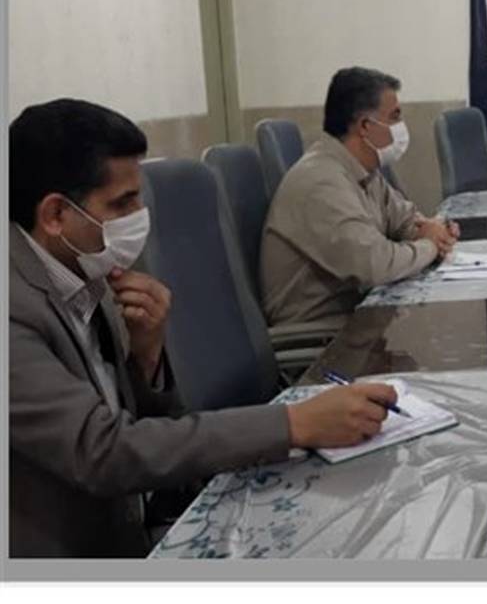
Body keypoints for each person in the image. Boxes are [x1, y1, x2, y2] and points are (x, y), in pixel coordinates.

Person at [8, 98, 399, 557]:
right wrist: (293, 423)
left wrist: (146, 358)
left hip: (141, 520)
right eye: (122, 202)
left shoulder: (88, 270)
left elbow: (141, 421)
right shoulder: (14, 307)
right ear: (55, 215)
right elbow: (102, 452)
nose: (139, 215)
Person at [260, 67, 458, 325]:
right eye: (395, 117)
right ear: (365, 126)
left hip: (360, 315)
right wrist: (430, 247)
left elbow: (404, 220)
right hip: (325, 336)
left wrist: (434, 230)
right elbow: (376, 264)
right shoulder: (321, 182)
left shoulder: (363, 171)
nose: (401, 127)